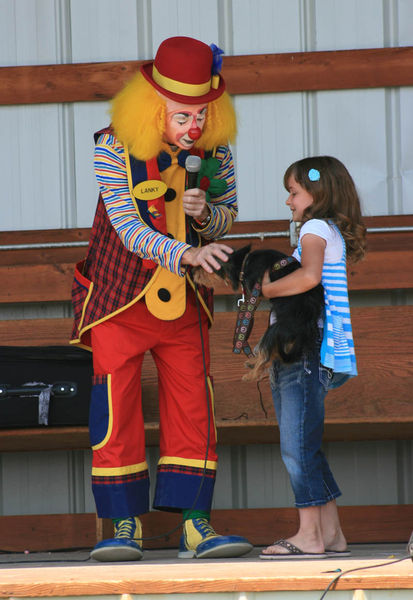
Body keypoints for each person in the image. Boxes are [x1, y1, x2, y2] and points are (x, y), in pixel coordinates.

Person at [70, 36, 252, 562]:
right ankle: (123, 524)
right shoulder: (112, 145)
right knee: (116, 410)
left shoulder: (217, 152)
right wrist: (187, 254)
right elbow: (128, 227)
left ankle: (196, 525)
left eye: (200, 115)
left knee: (195, 407)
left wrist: (202, 215)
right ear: (153, 107)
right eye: (180, 115)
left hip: (185, 305)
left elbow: (226, 214)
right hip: (118, 299)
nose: (192, 127)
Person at [259, 156, 366, 559]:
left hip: (304, 348)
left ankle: (309, 536)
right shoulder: (329, 229)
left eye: (294, 192)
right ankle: (333, 533)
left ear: (316, 193)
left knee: (295, 447)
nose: (289, 201)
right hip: (317, 349)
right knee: (307, 444)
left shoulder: (314, 228)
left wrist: (266, 289)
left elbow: (310, 277)